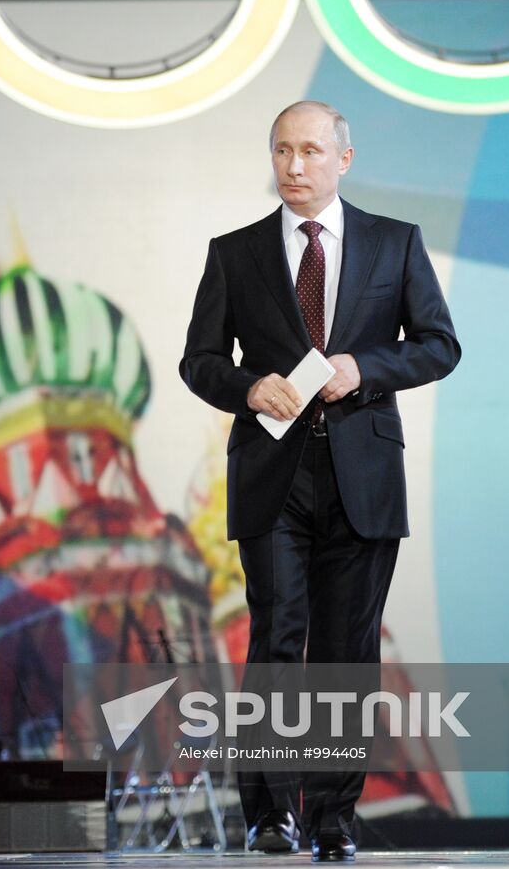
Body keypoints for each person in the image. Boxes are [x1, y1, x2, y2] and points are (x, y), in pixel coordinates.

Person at [180, 101, 460, 861]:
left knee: (347, 653)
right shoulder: (234, 253)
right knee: (276, 640)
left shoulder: (393, 244)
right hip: (272, 476)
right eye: (281, 151)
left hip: (363, 478)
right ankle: (271, 815)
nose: (293, 166)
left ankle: (332, 816)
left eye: (309, 151)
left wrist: (364, 368)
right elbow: (198, 360)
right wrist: (247, 388)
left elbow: (439, 346)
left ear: (344, 157)